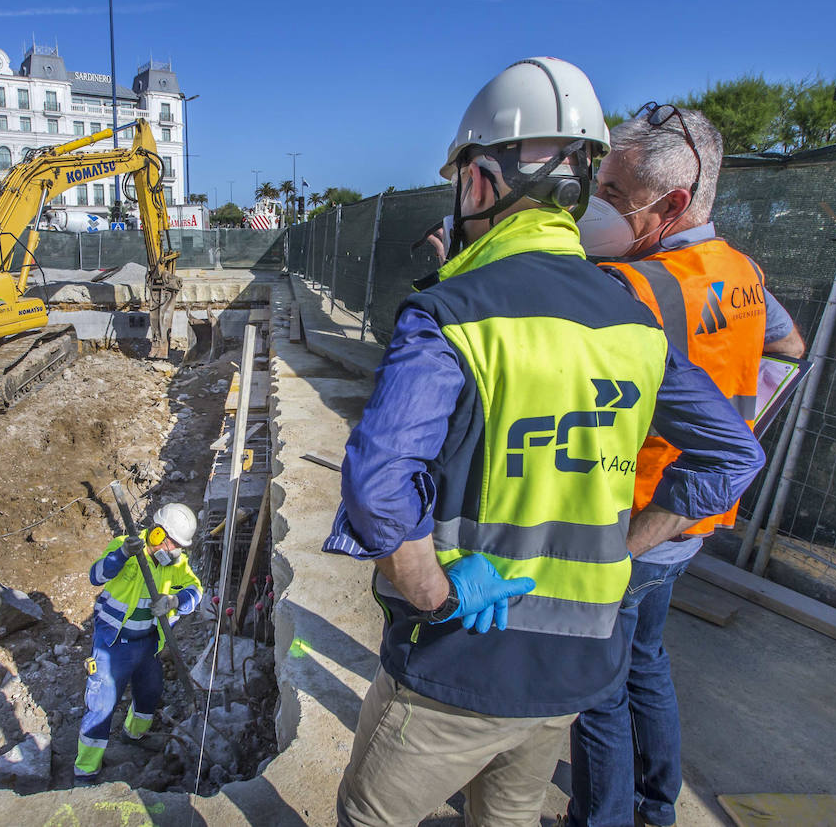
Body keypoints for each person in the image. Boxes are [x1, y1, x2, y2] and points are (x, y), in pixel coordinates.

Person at [324, 57, 767, 827]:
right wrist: (624, 548)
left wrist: (434, 592)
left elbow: (377, 482)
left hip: (461, 665)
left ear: (480, 182)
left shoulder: (451, 313)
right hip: (576, 670)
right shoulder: (636, 324)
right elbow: (733, 455)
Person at [566, 106, 805, 827]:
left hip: (631, 520)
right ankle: (655, 809)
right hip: (693, 519)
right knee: (647, 663)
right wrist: (736, 426)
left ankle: (597, 820)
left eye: (612, 192)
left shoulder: (635, 289)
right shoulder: (744, 273)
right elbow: (790, 351)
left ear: (671, 204)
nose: (596, 206)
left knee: (598, 689)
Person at [74, 502, 202, 783]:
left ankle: (134, 735)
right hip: (114, 645)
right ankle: (85, 770)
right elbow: (96, 576)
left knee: (150, 692)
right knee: (101, 705)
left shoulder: (176, 564)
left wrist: (175, 601)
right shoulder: (125, 548)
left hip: (147, 645)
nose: (175, 551)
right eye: (172, 544)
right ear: (157, 534)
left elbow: (196, 590)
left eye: (180, 546)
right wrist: (121, 555)